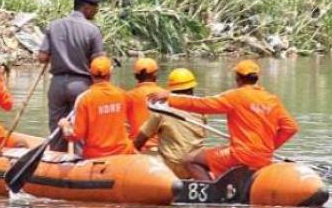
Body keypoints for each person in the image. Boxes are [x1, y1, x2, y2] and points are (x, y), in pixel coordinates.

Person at [149, 60, 298, 180]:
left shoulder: (235, 96)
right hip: (264, 157)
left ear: (238, 79)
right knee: (218, 150)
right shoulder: (272, 100)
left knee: (190, 160)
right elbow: (291, 128)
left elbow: (202, 104)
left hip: (239, 155)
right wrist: (269, 148)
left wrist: (170, 98)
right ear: (257, 78)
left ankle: (211, 191)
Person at [38, 0, 105, 150]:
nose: (97, 12)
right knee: (81, 130)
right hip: (81, 86)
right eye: (95, 8)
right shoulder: (92, 30)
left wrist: (59, 53)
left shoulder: (54, 26)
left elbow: (42, 57)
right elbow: (99, 64)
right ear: (86, 8)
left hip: (57, 84)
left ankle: (55, 162)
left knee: (56, 129)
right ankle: (79, 164)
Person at [134, 68, 207, 179]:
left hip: (170, 167)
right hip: (194, 166)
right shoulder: (201, 108)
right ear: (192, 88)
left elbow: (140, 140)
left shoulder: (161, 109)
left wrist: (129, 157)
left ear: (171, 89)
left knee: (143, 156)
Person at [58, 56, 135, 158]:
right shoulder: (124, 95)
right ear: (110, 75)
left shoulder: (84, 99)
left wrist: (65, 125)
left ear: (91, 74)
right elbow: (132, 126)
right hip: (123, 153)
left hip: (95, 156)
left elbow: (75, 135)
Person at [126, 58, 165, 150]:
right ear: (155, 75)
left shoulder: (127, 96)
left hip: (135, 147)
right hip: (159, 147)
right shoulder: (164, 95)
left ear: (136, 76)